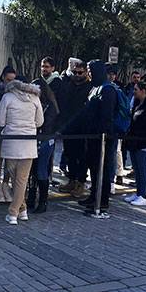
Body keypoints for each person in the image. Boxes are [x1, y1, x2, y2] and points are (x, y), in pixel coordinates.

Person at [0, 79, 44, 225]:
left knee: (16, 177)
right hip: (28, 143)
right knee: (21, 179)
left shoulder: (7, 97)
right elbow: (40, 122)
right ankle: (22, 210)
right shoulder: (35, 98)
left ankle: (13, 212)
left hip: (11, 142)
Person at [79, 60, 119, 213]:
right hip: (92, 135)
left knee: (103, 168)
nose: (88, 73)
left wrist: (103, 134)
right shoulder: (95, 87)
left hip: (102, 137)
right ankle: (93, 196)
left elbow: (106, 115)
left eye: (90, 70)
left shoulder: (107, 89)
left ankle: (102, 200)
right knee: (94, 168)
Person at [29, 57, 61, 214]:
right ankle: (31, 197)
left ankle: (43, 201)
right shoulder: (36, 104)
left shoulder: (49, 105)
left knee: (41, 169)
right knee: (33, 169)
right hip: (35, 137)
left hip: (45, 138)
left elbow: (46, 122)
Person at [56, 59, 91, 197]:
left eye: (80, 72)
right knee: (69, 154)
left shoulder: (89, 87)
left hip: (82, 128)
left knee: (81, 156)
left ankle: (80, 182)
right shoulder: (69, 84)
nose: (77, 75)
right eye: (75, 72)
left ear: (85, 73)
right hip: (68, 127)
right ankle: (71, 180)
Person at [124, 81, 146, 206]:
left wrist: (143, 134)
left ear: (143, 91)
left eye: (136, 89)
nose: (134, 92)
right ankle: (138, 192)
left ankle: (143, 195)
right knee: (137, 169)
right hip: (135, 142)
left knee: (143, 169)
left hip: (145, 142)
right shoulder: (137, 104)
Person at [0, 66, 17, 203]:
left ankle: (6, 185)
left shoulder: (14, 91)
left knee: (9, 158)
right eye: (8, 80)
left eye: (13, 80)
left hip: (11, 127)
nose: (10, 83)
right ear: (3, 77)